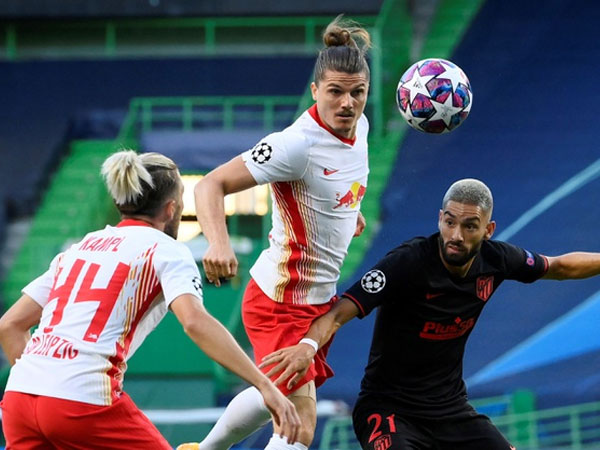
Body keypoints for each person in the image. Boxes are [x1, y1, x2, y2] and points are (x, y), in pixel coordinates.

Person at [260, 178, 600, 450]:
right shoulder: (406, 263)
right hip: (388, 409)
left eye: (470, 226)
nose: (456, 235)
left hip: (451, 411)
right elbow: (337, 314)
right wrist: (307, 345)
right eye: (450, 222)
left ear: (489, 230)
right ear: (440, 218)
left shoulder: (498, 259)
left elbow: (559, 267)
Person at [0, 150, 300, 449]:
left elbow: (9, 325)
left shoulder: (80, 247)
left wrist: (44, 383)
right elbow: (194, 322)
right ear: (171, 208)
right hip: (83, 398)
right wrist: (264, 385)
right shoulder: (165, 250)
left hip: (19, 400)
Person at [177, 15, 372, 450]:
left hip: (318, 300)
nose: (347, 104)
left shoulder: (359, 127)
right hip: (280, 301)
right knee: (299, 423)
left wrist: (349, 212)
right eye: (335, 92)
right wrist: (218, 242)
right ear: (315, 90)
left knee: (274, 390)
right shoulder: (294, 144)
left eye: (357, 92)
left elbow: (344, 177)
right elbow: (210, 185)